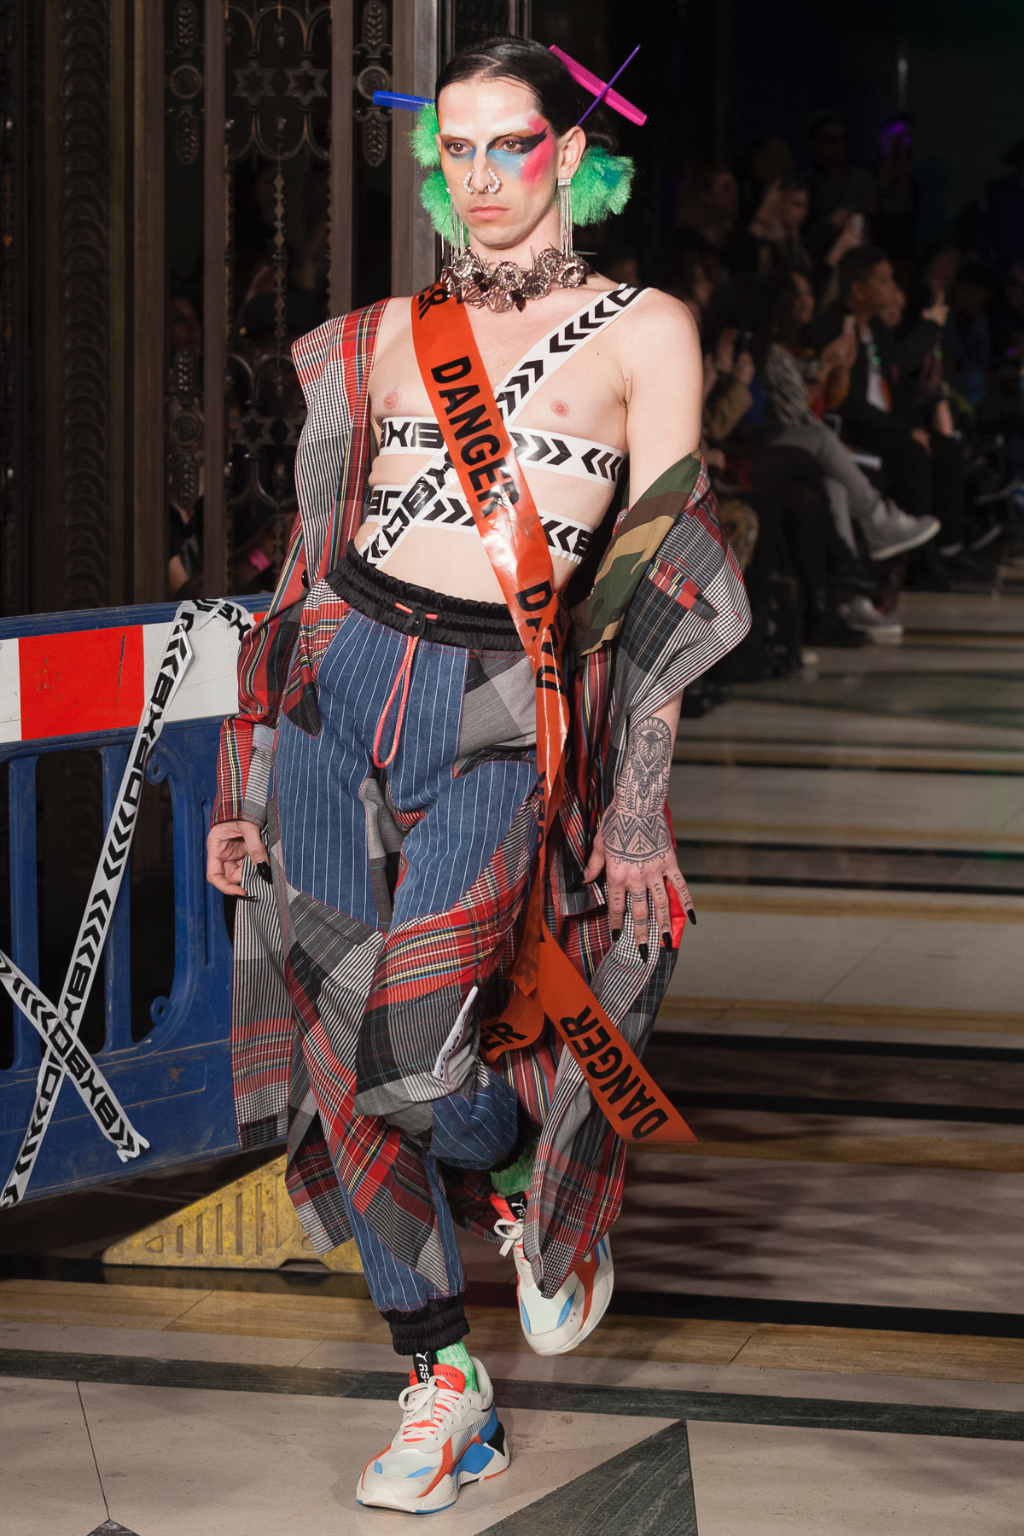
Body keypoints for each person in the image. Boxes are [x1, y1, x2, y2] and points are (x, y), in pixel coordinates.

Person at [206, 35, 749, 1516]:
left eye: (512, 145)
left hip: (505, 713)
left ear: (570, 154)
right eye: (456, 149)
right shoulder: (387, 333)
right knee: (341, 1051)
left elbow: (664, 584)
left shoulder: (646, 331)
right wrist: (245, 777)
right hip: (337, 687)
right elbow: (303, 565)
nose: (482, 176)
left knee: (412, 1042)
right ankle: (442, 1381)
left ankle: (513, 1169)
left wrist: (635, 807)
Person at [810, 245, 990, 584]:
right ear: (858, 289)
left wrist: (914, 426)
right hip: (854, 427)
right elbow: (846, 403)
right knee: (911, 452)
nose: (892, 287)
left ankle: (949, 546)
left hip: (884, 423)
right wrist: (905, 431)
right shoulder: (834, 328)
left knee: (945, 448)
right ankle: (917, 559)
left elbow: (894, 387)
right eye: (884, 280)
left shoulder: (877, 329)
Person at [761, 268, 939, 606]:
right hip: (772, 445)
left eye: (809, 293)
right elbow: (800, 414)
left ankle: (850, 600)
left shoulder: (800, 349)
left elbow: (826, 399)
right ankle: (878, 522)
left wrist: (836, 369)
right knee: (830, 442)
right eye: (798, 295)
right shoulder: (774, 350)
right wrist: (829, 367)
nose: (807, 301)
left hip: (810, 440)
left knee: (837, 488)